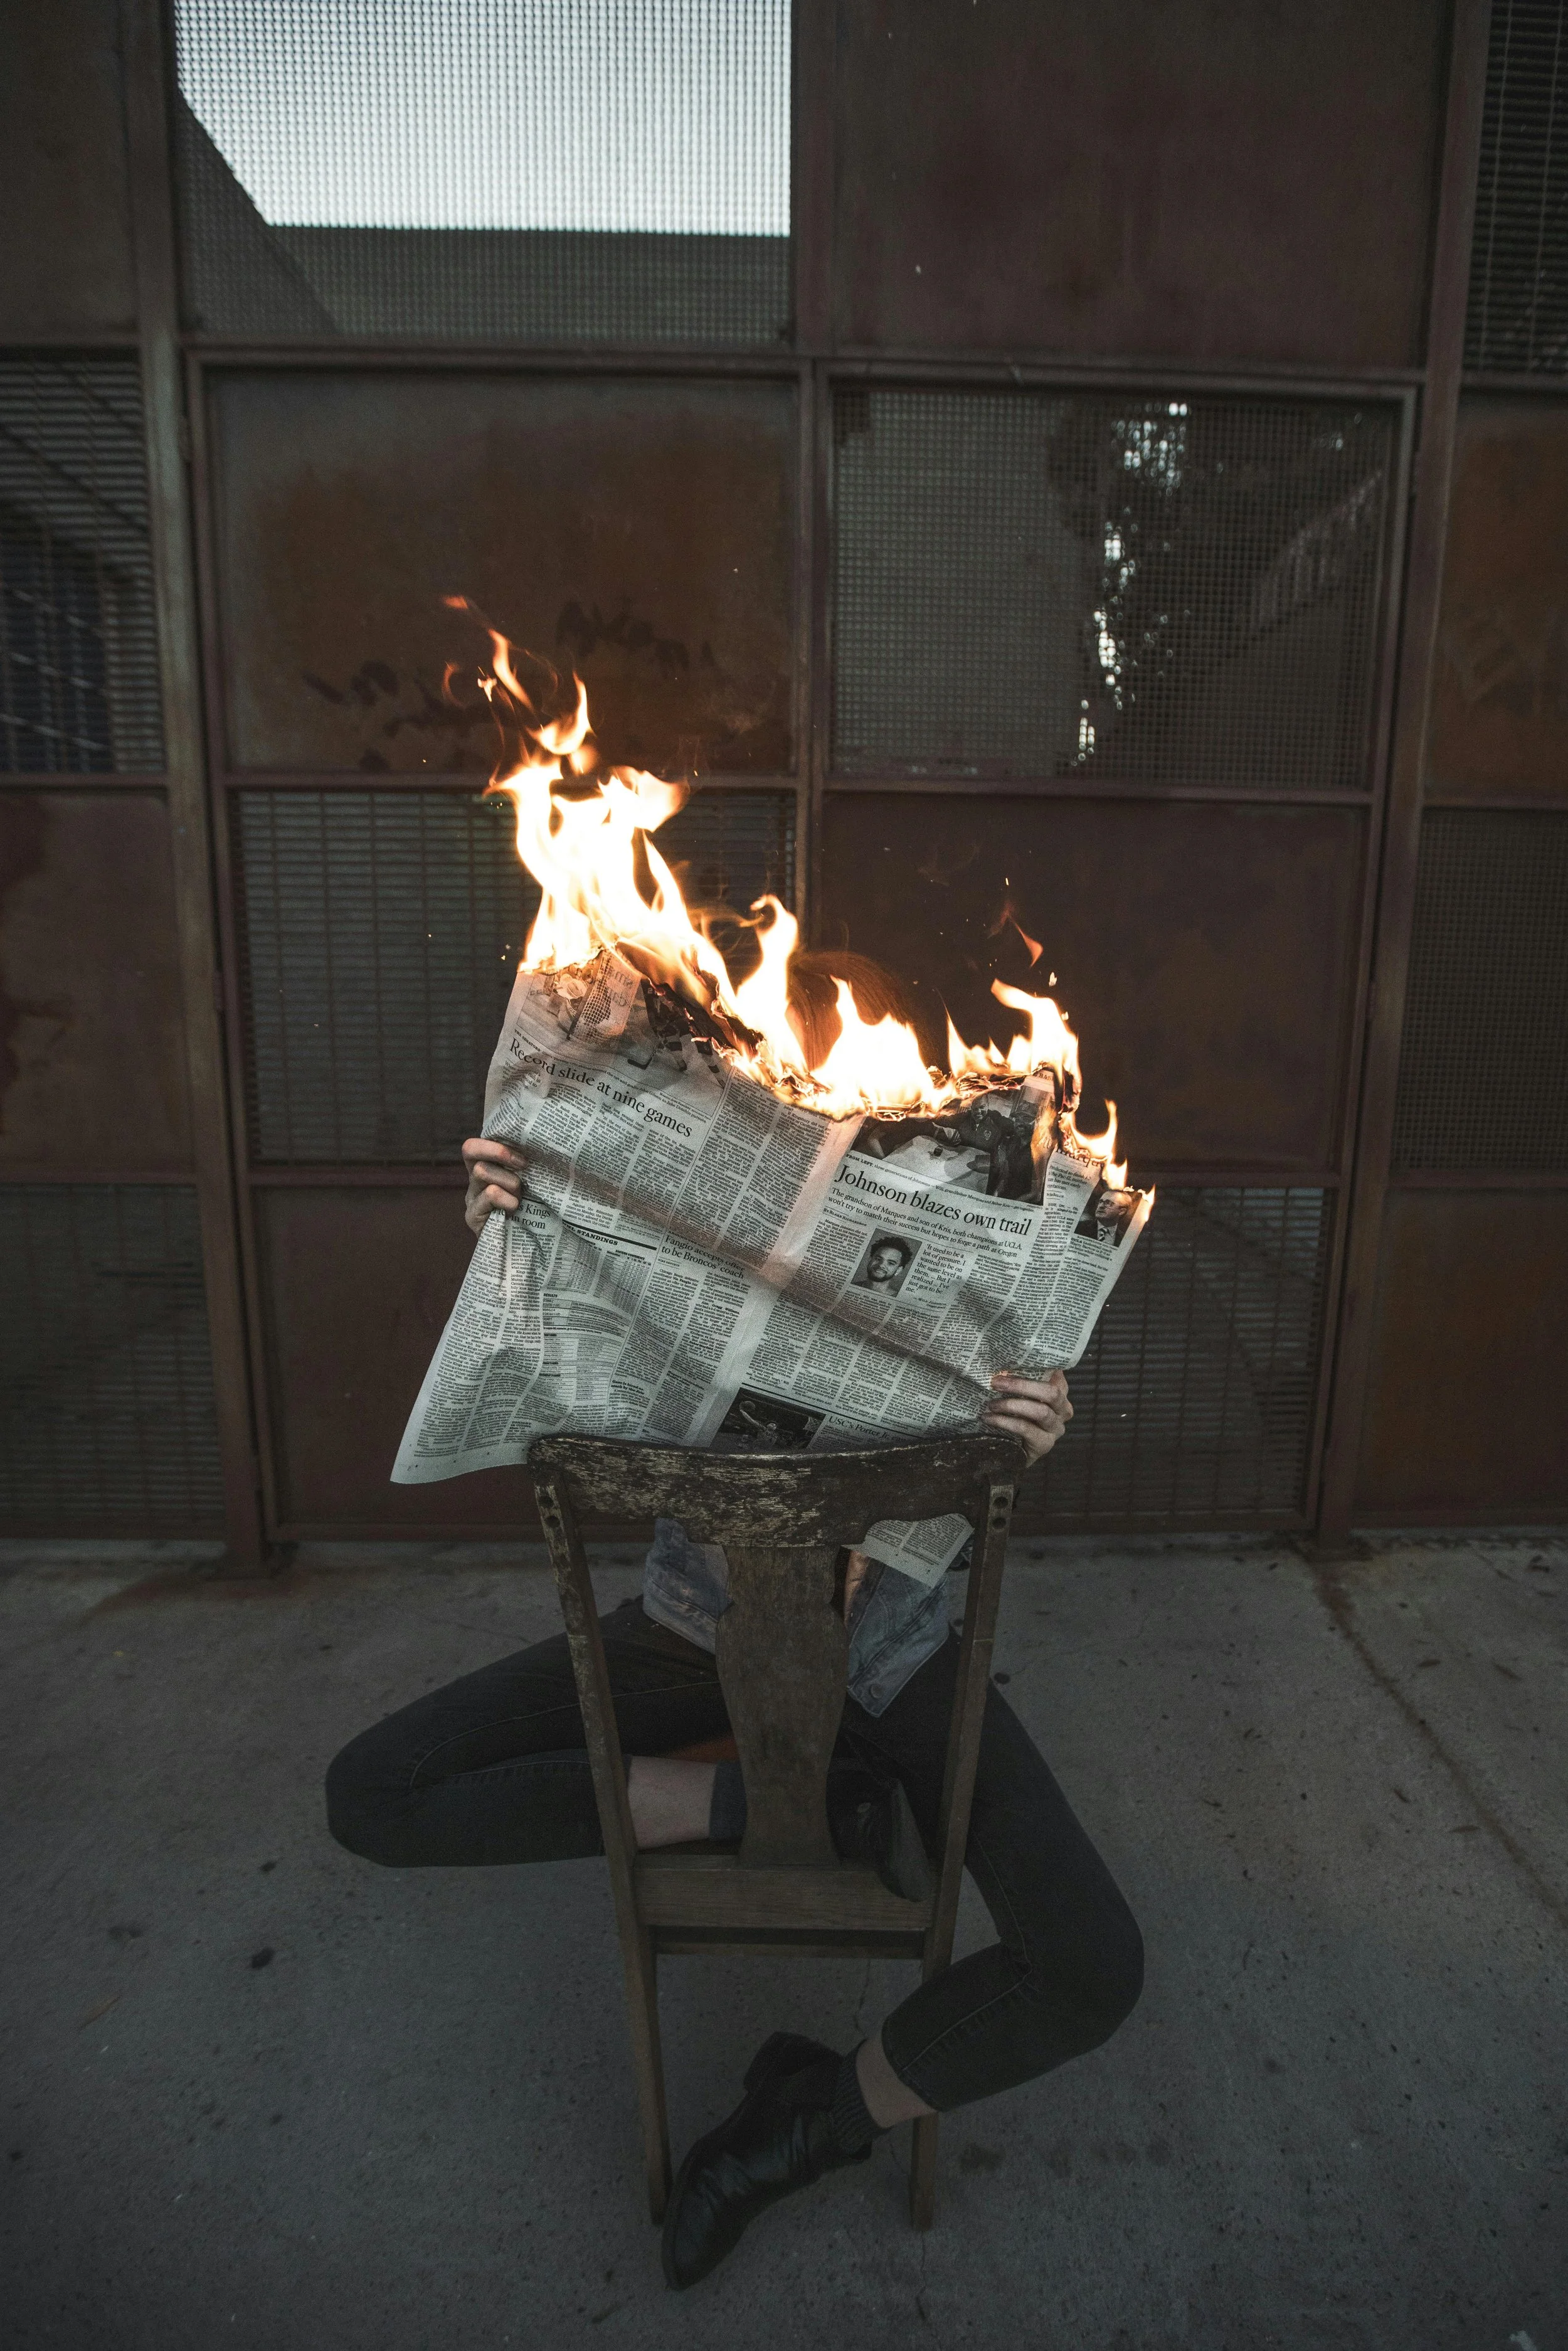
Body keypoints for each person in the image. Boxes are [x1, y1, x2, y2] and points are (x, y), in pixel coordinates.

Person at [324, 952, 1143, 2291]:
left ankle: (806, 2121)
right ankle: (776, 1797)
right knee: (375, 1793)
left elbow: (981, 1436)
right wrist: (519, 1237)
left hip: (893, 1654)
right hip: (694, 1633)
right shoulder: (679, 1205)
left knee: (1091, 1963)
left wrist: (1024, 1428)